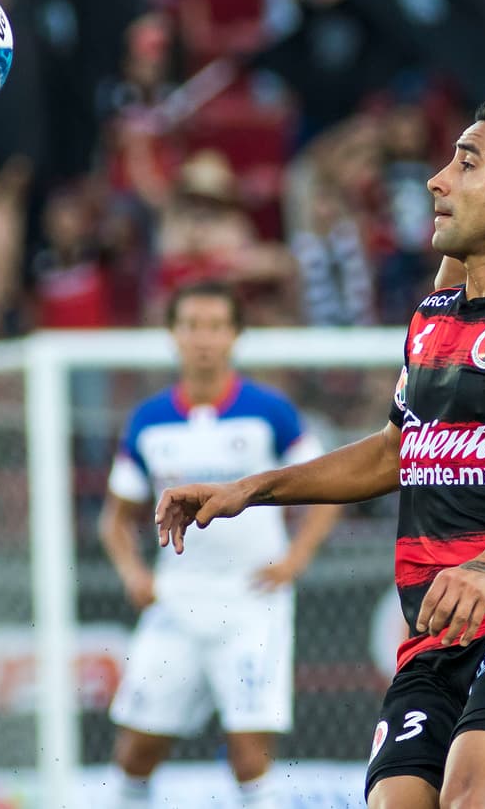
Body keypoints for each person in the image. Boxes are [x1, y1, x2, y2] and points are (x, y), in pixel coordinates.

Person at [156, 99, 485, 809]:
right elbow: (394, 453)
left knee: (475, 798)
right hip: (436, 630)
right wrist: (248, 489)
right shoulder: (435, 317)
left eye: (465, 163)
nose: (437, 180)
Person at [101, 281, 343, 809]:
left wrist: (298, 557)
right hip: (176, 601)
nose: (203, 338)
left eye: (215, 326)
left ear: (235, 335)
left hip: (253, 600)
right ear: (173, 335)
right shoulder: (148, 421)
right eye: (191, 326)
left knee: (248, 751)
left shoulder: (271, 413)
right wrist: (133, 573)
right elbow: (115, 520)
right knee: (137, 750)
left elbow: (327, 489)